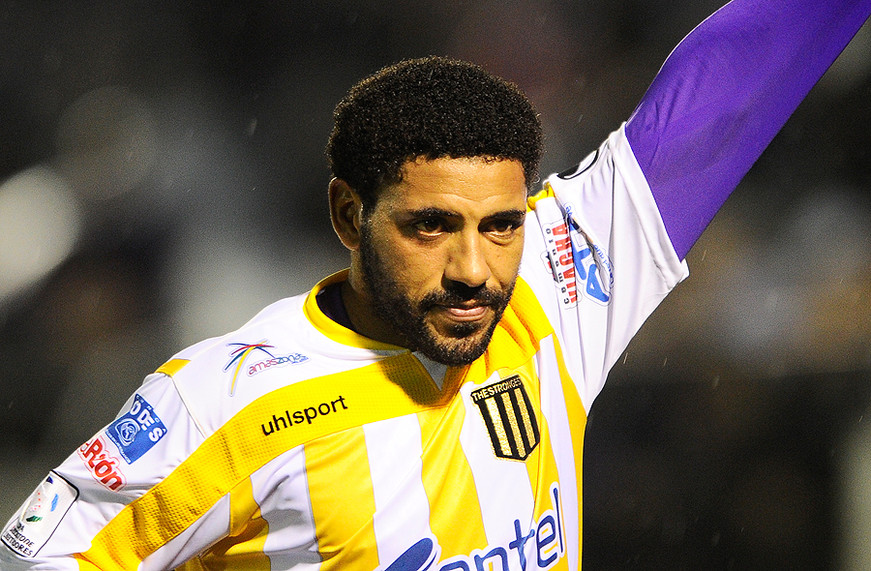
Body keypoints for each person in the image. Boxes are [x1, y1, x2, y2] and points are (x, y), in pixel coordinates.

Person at [2, 0, 869, 569]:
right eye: (429, 226)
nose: (473, 268)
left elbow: (729, 89)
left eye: (501, 224)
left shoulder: (553, 287)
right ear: (349, 215)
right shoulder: (226, 402)